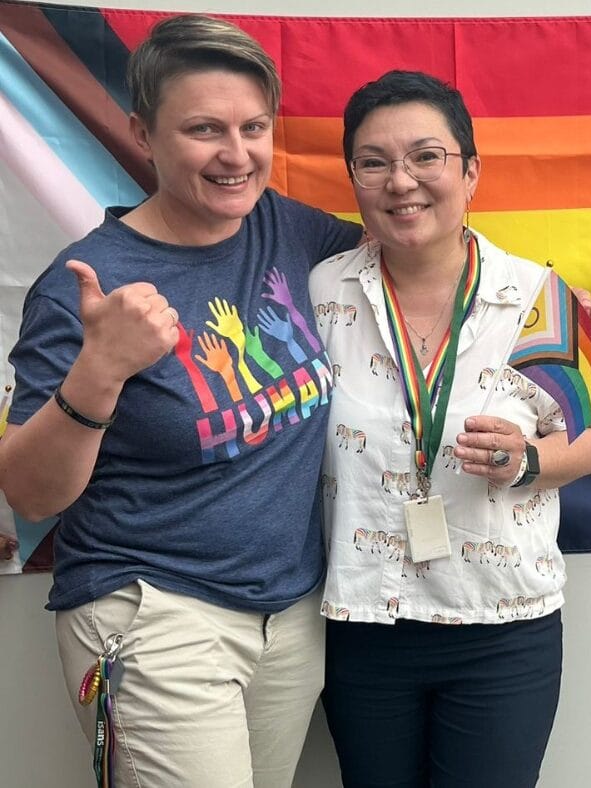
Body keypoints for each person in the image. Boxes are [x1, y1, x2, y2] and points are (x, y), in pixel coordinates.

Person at [0, 14, 362, 788]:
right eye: (204, 129)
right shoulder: (86, 287)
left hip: (290, 612)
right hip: (153, 613)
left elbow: (411, 261)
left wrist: (546, 304)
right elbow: (30, 493)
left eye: (253, 127)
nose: (236, 155)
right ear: (143, 134)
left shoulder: (285, 227)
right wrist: (99, 368)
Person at [309, 70, 591, 788]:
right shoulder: (319, 290)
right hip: (363, 621)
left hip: (502, 627)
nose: (401, 182)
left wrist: (529, 461)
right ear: (352, 177)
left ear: (470, 171)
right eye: (374, 162)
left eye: (426, 156)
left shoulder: (541, 297)